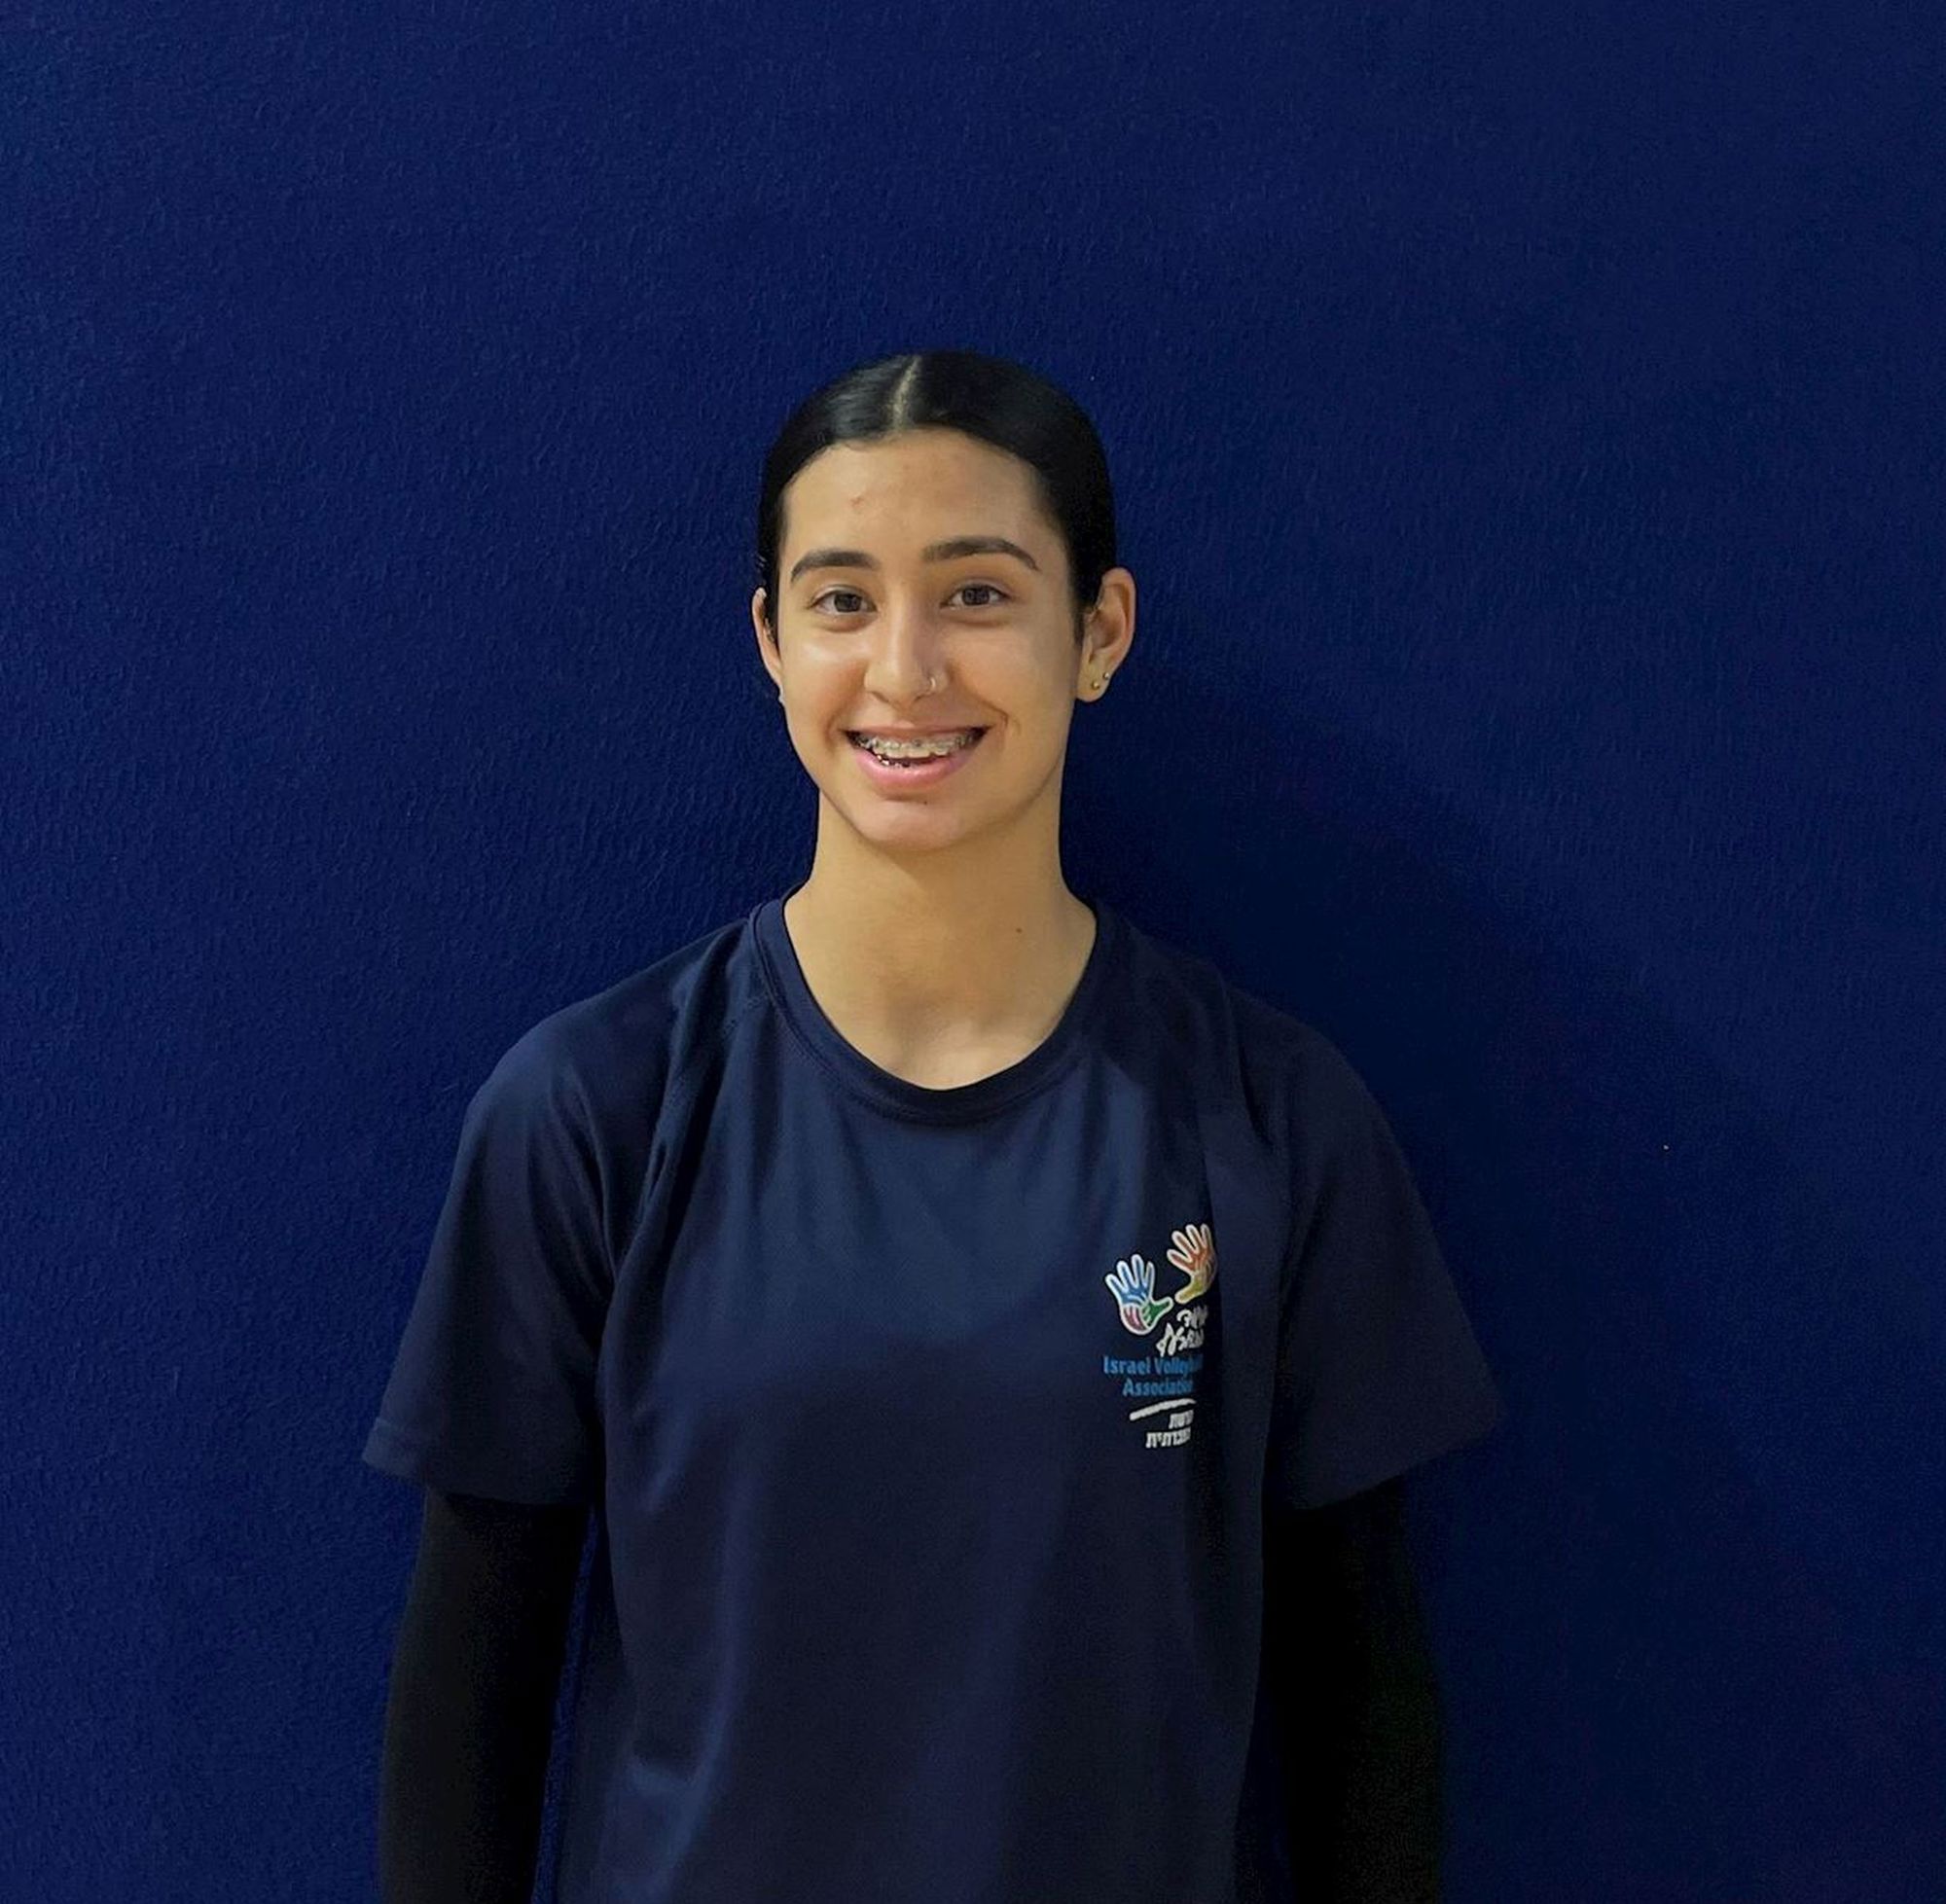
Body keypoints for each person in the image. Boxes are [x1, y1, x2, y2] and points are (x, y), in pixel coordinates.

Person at [362, 347, 1506, 1903]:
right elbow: (470, 1699)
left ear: (1097, 631)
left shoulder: (1270, 1121)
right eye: (842, 599)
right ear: (771, 642)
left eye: (977, 593)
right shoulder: (592, 1115)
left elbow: (1363, 1693)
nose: (904, 670)